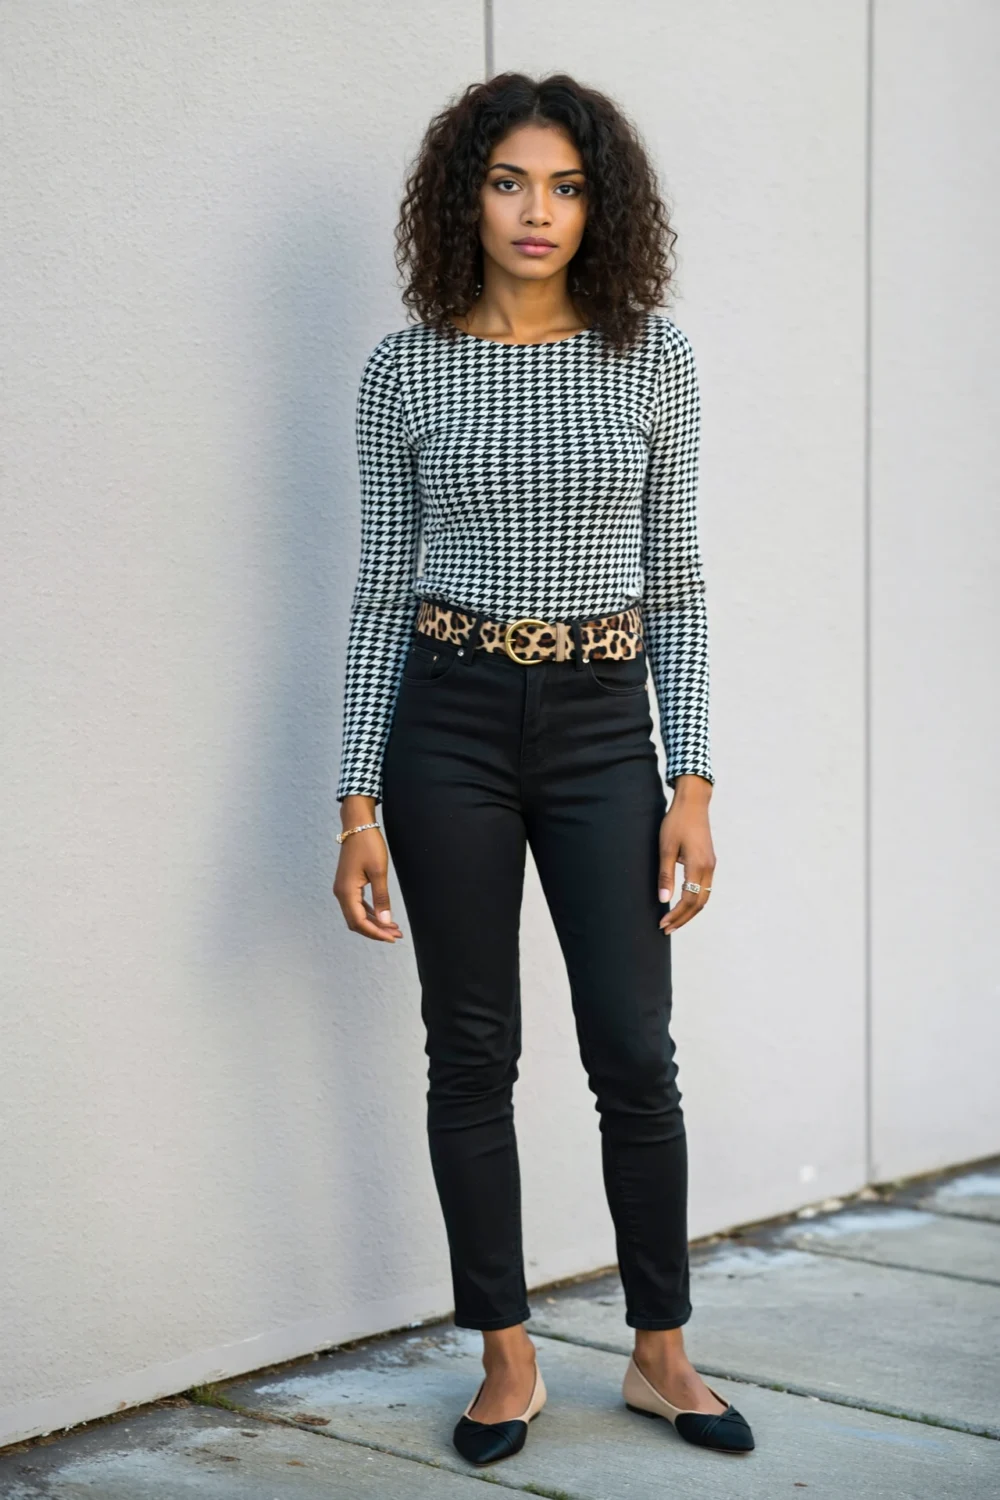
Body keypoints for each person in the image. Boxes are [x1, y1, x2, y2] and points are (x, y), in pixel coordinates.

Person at [332, 72, 754, 1465]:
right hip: (447, 723)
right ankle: (505, 1358)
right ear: (467, 194)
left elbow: (679, 587)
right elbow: (380, 586)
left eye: (567, 186)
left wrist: (690, 779)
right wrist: (355, 797)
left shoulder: (652, 358)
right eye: (512, 180)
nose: (538, 211)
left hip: (598, 726)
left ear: (601, 206)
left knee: (635, 1050)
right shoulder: (405, 369)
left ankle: (660, 1353)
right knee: (474, 1050)